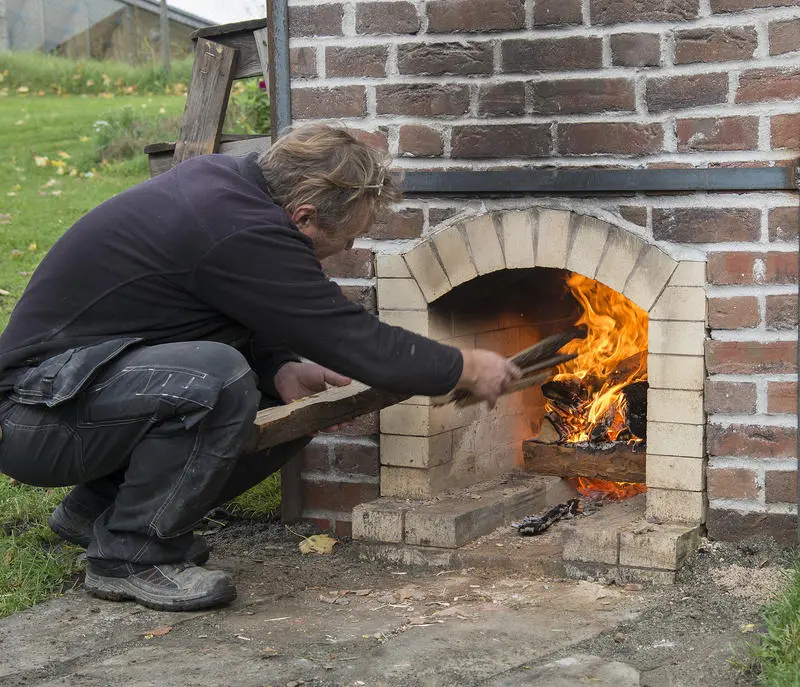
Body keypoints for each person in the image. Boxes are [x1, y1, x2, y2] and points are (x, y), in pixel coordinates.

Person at [0, 124, 521, 612]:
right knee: (217, 377)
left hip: (80, 396)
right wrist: (463, 365)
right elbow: (348, 338)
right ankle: (130, 554)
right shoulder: (234, 224)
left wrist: (278, 369)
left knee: (291, 405)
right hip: (31, 414)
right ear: (305, 217)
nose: (352, 248)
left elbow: (231, 300)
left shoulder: (236, 196)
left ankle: (96, 511)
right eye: (349, 237)